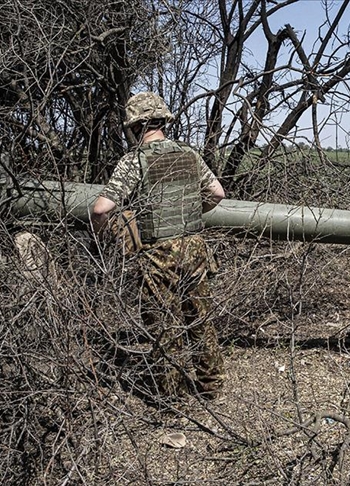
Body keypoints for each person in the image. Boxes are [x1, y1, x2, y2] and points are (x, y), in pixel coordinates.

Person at [91, 92, 226, 399]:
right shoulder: (189, 154)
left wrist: (103, 232)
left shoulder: (135, 160)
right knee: (200, 317)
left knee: (165, 326)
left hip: (158, 254)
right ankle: (211, 387)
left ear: (136, 126)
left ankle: (173, 398)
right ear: (163, 121)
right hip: (195, 248)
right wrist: (189, 211)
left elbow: (101, 208)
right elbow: (217, 193)